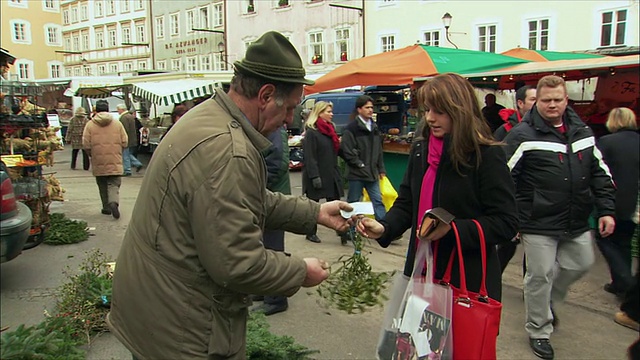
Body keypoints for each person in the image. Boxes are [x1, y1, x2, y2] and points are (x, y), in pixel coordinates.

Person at [106, 31, 354, 359]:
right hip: (182, 328)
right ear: (266, 95)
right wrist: (299, 271)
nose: (291, 119)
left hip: (156, 309)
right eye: (290, 107)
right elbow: (237, 263)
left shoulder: (209, 116)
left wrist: (316, 213)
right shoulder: (229, 149)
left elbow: (245, 200)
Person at [356, 73, 518, 306]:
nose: (430, 118)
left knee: (460, 343)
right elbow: (407, 203)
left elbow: (506, 222)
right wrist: (385, 227)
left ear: (460, 111)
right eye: (428, 110)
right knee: (415, 341)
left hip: (465, 282)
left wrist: (452, 229)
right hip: (422, 273)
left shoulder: (487, 155)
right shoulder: (421, 150)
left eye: (439, 112)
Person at [504, 75, 616, 360]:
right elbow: (503, 179)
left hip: (576, 218)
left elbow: (600, 173)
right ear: (536, 102)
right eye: (546, 100)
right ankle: (539, 330)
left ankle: (548, 301)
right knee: (539, 275)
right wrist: (511, 218)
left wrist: (606, 210)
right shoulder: (521, 135)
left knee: (582, 262)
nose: (552, 105)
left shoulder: (583, 132)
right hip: (536, 221)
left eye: (558, 99)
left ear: (567, 100)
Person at [597, 107, 639, 296]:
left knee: (606, 240)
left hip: (613, 199)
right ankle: (619, 283)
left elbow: (597, 171)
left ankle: (626, 283)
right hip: (635, 202)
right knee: (625, 242)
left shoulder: (606, 142)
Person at [495, 85, 537, 274]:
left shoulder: (547, 132)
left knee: (535, 253)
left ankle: (534, 287)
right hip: (512, 201)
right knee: (506, 246)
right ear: (520, 103)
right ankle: (490, 278)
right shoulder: (505, 131)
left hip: (536, 203)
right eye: (533, 100)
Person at [252, 125, 292, 315]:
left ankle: (277, 298)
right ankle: (264, 290)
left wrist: (255, 184)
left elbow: (278, 162)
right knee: (261, 246)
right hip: (265, 197)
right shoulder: (264, 126)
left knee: (273, 248)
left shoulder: (275, 128)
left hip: (275, 198)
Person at [302, 101, 345, 244]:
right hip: (317, 174)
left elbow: (337, 151)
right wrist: (314, 176)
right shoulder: (311, 132)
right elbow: (310, 157)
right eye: (328, 112)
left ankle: (342, 231)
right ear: (319, 113)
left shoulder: (330, 130)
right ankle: (310, 232)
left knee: (336, 204)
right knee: (313, 206)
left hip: (331, 173)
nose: (331, 114)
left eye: (331, 112)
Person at [341, 95, 386, 222]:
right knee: (353, 204)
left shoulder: (375, 127)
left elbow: (378, 151)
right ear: (359, 109)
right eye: (367, 107)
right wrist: (360, 165)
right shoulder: (351, 128)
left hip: (372, 173)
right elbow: (347, 151)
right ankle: (346, 228)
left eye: (372, 107)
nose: (370, 110)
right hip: (357, 174)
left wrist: (381, 168)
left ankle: (384, 228)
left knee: (377, 201)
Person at [82, 99, 128, 219]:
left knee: (102, 183)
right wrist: (119, 151)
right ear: (107, 109)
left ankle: (106, 207)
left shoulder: (90, 124)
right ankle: (113, 202)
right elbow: (125, 141)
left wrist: (91, 154)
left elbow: (86, 144)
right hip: (114, 157)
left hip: (98, 159)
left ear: (96, 110)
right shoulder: (117, 123)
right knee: (114, 183)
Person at [117, 104, 143, 176]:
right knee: (128, 154)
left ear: (121, 109)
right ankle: (137, 163)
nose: (117, 111)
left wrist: (122, 138)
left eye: (118, 109)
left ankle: (127, 170)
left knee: (125, 154)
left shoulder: (124, 117)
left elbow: (124, 129)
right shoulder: (130, 116)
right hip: (132, 138)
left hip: (127, 139)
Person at [65, 107, 90, 171]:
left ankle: (73, 165)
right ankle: (86, 166)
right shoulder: (86, 120)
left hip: (75, 137)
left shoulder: (73, 119)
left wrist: (68, 138)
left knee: (75, 152)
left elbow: (69, 130)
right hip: (83, 137)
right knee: (85, 153)